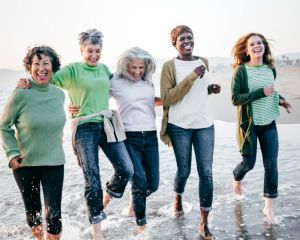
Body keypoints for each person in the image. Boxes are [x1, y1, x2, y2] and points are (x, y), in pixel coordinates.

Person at [16, 29, 133, 240]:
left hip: (106, 124)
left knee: (126, 169)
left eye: (97, 51)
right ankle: (97, 232)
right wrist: (25, 82)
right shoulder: (72, 70)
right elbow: (44, 79)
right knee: (92, 177)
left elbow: (117, 87)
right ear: (81, 50)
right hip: (84, 128)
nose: (94, 55)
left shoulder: (104, 69)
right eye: (89, 51)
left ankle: (107, 195)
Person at [69, 47, 162, 234]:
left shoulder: (147, 81)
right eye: (133, 67)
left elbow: (150, 100)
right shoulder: (114, 82)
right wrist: (74, 106)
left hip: (150, 135)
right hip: (128, 136)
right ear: (125, 66)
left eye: (141, 67)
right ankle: (142, 227)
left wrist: (172, 100)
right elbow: (96, 95)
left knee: (152, 184)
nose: (137, 72)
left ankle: (124, 198)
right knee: (139, 183)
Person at [160, 25, 221, 239]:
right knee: (184, 171)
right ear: (175, 43)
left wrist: (210, 90)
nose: (187, 41)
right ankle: (178, 196)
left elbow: (198, 91)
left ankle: (204, 223)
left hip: (204, 123)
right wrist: (192, 76)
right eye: (182, 39)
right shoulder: (169, 66)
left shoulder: (202, 61)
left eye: (190, 37)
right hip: (180, 126)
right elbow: (167, 98)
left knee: (206, 173)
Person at [0, 46, 66, 240]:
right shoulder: (21, 94)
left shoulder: (59, 95)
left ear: (53, 67)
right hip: (25, 164)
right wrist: (11, 153)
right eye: (36, 64)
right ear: (30, 68)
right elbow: (4, 126)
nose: (41, 68)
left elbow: (55, 121)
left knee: (54, 216)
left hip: (54, 162)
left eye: (46, 63)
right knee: (34, 215)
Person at [231, 33, 292, 224]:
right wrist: (260, 93)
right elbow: (235, 98)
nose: (257, 46)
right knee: (249, 164)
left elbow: (271, 90)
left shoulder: (269, 69)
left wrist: (280, 100)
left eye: (260, 43)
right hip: (250, 126)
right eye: (252, 44)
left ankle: (268, 208)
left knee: (272, 167)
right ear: (246, 50)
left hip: (269, 124)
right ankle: (237, 176)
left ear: (264, 47)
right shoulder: (241, 71)